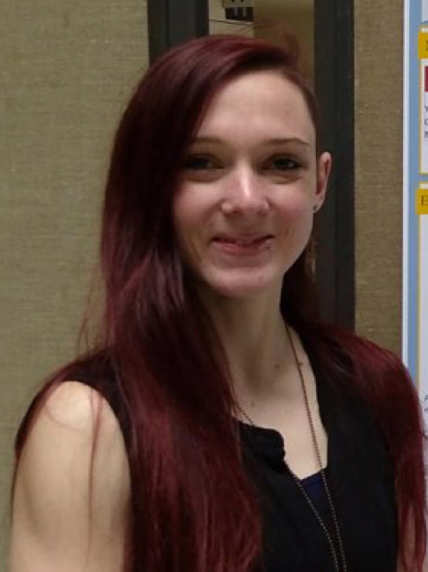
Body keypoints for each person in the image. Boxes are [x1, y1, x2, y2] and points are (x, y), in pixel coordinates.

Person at [8, 34, 426, 572]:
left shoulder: (376, 387)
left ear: (320, 183)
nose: (247, 200)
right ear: (152, 184)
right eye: (202, 162)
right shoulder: (86, 429)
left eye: (281, 163)